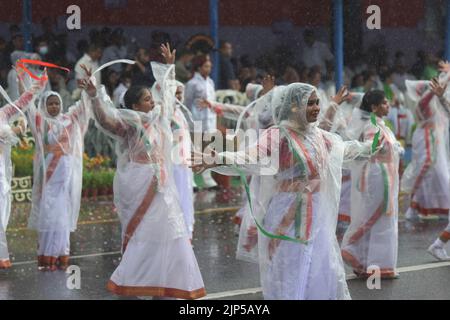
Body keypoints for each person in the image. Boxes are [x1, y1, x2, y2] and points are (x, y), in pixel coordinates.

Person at [192, 82, 379, 300]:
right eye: (310, 103)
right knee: (291, 267)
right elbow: (251, 155)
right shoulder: (278, 134)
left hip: (318, 213)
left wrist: (370, 146)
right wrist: (219, 158)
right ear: (294, 106)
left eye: (317, 102)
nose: (316, 107)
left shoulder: (320, 136)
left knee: (321, 266)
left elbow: (346, 150)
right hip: (287, 212)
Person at [84, 44, 205, 299]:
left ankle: (166, 282)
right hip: (139, 183)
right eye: (147, 99)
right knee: (145, 234)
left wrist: (168, 68)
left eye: (152, 97)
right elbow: (105, 120)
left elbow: (165, 93)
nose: (153, 101)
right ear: (136, 105)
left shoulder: (160, 117)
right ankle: (135, 280)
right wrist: (95, 96)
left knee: (171, 233)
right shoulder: (130, 124)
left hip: (162, 185)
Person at [23, 67, 93, 272]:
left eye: (56, 103)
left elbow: (84, 106)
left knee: (62, 218)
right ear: (45, 105)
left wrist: (88, 87)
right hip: (48, 180)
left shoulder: (69, 120)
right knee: (48, 216)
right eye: (50, 103)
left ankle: (61, 254)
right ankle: (46, 256)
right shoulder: (41, 123)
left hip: (65, 180)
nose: (53, 107)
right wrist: (24, 82)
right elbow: (27, 105)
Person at [341, 90, 403, 279]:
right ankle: (352, 249)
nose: (388, 105)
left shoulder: (380, 125)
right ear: (374, 108)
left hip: (385, 175)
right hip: (378, 176)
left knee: (379, 219)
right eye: (384, 103)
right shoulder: (373, 126)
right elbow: (370, 146)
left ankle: (367, 262)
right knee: (377, 218)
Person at [0, 76, 45, 268]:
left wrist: (38, 83)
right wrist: (16, 129)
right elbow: (5, 132)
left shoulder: (2, 113)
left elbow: (22, 102)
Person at [401, 71, 450, 220]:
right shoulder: (421, 105)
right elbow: (431, 94)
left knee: (437, 175)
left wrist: (445, 79)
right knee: (427, 171)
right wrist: (447, 74)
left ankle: (442, 208)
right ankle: (414, 207)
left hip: (435, 140)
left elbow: (442, 96)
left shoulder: (438, 105)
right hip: (426, 140)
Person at [184, 54, 218, 188]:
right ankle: (190, 180)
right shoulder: (192, 83)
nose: (209, 69)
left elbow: (213, 102)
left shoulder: (210, 82)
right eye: (206, 66)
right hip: (195, 120)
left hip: (209, 120)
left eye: (210, 66)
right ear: (199, 67)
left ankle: (208, 179)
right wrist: (188, 120)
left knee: (208, 150)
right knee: (193, 150)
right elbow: (187, 103)